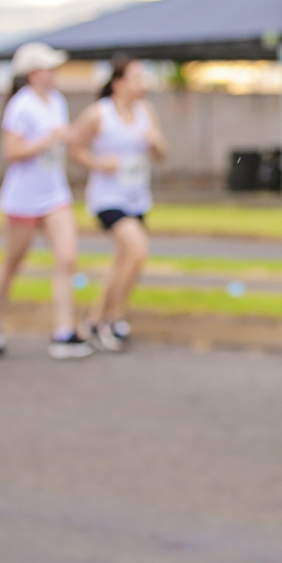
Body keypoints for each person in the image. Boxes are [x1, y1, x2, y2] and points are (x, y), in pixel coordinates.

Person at [0, 42, 94, 361]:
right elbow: (11, 152)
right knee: (13, 262)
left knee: (67, 259)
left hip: (54, 193)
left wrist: (69, 138)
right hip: (23, 198)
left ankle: (64, 330)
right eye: (47, 68)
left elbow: (61, 141)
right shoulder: (20, 106)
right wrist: (47, 139)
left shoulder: (57, 101)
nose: (53, 74)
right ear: (31, 73)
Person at [70, 56, 168, 352]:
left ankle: (94, 320)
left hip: (136, 197)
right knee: (137, 250)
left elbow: (162, 154)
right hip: (108, 198)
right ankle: (114, 319)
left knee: (125, 262)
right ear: (118, 83)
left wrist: (155, 142)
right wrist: (99, 163)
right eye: (136, 77)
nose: (142, 84)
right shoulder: (98, 114)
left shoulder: (145, 111)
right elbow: (75, 146)